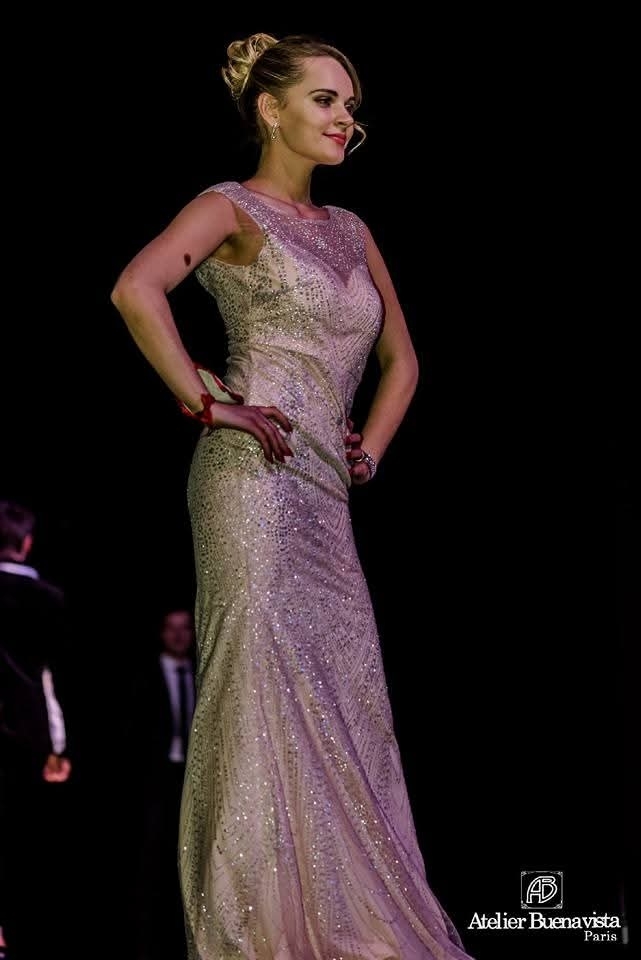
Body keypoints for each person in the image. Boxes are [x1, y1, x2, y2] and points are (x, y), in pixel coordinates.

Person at [110, 31, 474, 960]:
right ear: (270, 109)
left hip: (324, 495)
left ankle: (351, 920)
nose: (345, 117)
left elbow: (403, 360)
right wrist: (206, 401)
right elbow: (135, 289)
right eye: (324, 99)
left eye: (349, 104)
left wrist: (368, 453)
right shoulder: (226, 206)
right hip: (251, 482)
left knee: (345, 688)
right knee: (260, 684)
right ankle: (263, 931)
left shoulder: (352, 229)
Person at [0, 499, 74, 959]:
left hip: (19, 736)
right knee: (20, 843)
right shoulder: (49, 600)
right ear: (26, 543)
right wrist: (58, 746)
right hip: (26, 738)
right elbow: (53, 678)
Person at [127, 607, 197, 960]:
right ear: (161, 633)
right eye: (172, 628)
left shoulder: (202, 673)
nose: (179, 636)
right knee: (152, 855)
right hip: (156, 778)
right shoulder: (144, 676)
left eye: (185, 628)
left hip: (192, 776)